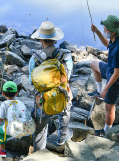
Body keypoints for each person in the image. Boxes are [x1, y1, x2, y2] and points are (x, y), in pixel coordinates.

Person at [29, 21, 73, 151]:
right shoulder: (66, 55)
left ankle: (39, 151)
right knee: (65, 110)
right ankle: (63, 136)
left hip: (42, 99)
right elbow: (68, 76)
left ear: (41, 40)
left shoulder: (35, 58)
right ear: (55, 39)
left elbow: (32, 81)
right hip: (61, 94)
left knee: (40, 128)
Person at [88, 15, 119, 136]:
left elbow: (117, 74)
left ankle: (106, 131)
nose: (104, 30)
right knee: (93, 64)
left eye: (105, 29)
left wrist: (106, 89)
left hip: (118, 79)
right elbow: (106, 43)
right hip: (110, 69)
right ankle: (99, 92)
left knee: (109, 106)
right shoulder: (117, 38)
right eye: (104, 28)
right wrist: (98, 32)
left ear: (112, 31)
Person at [0, 81, 29, 157]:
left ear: (3, 94)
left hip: (11, 130)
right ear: (16, 93)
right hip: (23, 128)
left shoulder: (4, 104)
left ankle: (2, 151)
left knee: (0, 132)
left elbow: (0, 119)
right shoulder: (20, 102)